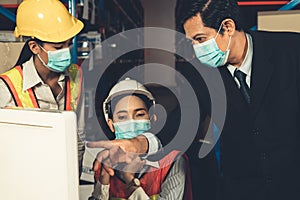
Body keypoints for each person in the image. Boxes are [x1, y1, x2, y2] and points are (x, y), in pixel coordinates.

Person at [0, 0, 85, 175]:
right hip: (28, 177)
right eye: (58, 47)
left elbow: (79, 136)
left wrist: (73, 179)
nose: (66, 52)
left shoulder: (76, 75)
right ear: (34, 47)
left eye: (68, 44)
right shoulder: (7, 87)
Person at [88, 78, 192, 200]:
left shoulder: (171, 162)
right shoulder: (105, 164)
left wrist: (130, 180)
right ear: (111, 124)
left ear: (152, 119)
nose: (131, 122)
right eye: (122, 117)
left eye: (140, 114)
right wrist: (103, 182)